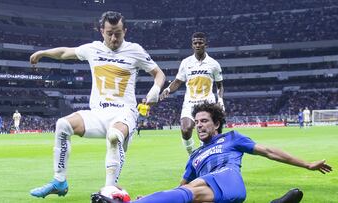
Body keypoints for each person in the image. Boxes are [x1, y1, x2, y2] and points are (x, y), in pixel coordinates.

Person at [29, 11, 165, 198]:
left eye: (118, 33)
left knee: (114, 136)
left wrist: (155, 90)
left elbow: (159, 74)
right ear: (102, 31)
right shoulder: (92, 49)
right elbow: (64, 52)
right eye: (109, 32)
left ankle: (108, 191)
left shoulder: (135, 50)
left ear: (125, 31)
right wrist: (43, 53)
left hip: (124, 113)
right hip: (98, 113)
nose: (114, 37)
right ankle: (59, 182)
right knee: (62, 124)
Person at [93, 102, 332, 203]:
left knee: (193, 189)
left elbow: (269, 151)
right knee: (186, 193)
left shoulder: (232, 138)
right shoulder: (194, 156)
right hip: (211, 196)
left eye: (204, 121)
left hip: (227, 180)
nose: (199, 125)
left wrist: (308, 165)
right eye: (196, 122)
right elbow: (179, 191)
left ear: (216, 123)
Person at [160, 32, 224, 155]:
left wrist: (220, 100)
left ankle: (204, 153)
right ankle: (192, 155)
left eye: (200, 42)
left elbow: (220, 85)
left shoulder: (214, 64)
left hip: (207, 103)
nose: (197, 45)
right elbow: (178, 81)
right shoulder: (186, 62)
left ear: (206, 44)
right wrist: (168, 89)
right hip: (190, 102)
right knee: (185, 129)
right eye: (195, 43)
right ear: (192, 45)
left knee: (208, 132)